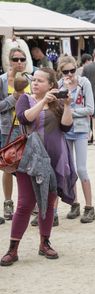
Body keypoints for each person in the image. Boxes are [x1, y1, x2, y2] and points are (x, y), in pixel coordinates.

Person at [0, 67, 77, 266]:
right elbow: (25, 118)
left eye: (40, 81)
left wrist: (67, 105)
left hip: (53, 160)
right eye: (34, 80)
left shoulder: (58, 103)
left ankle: (45, 242)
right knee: (25, 204)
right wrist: (44, 101)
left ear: (51, 85)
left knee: (48, 204)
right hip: (29, 160)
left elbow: (67, 127)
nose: (35, 83)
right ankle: (13, 248)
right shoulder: (25, 99)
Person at [57, 55, 95, 223]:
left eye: (72, 70)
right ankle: (74, 203)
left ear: (76, 68)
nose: (70, 74)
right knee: (69, 168)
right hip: (65, 130)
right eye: (66, 71)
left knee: (81, 168)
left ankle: (89, 207)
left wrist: (72, 111)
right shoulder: (59, 85)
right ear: (61, 71)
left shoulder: (84, 83)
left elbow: (90, 109)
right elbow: (57, 108)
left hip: (80, 130)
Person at [0, 48, 32, 224]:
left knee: (27, 168)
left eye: (22, 59)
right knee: (8, 166)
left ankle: (26, 204)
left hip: (28, 129)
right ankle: (8, 202)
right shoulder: (2, 81)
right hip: (8, 130)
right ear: (9, 60)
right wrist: (13, 98)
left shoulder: (31, 79)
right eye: (15, 59)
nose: (19, 62)